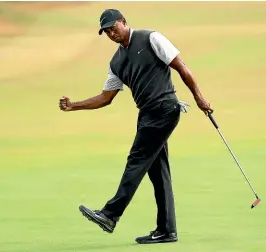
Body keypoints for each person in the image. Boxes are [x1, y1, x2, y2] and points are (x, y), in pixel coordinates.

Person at [59, 9, 213, 244]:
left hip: (164, 108)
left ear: (123, 22)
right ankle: (167, 230)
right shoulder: (116, 62)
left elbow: (182, 67)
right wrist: (74, 106)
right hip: (147, 115)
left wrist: (199, 97)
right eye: (107, 31)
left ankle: (110, 215)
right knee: (158, 173)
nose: (111, 33)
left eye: (113, 27)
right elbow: (105, 97)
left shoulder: (151, 38)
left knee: (137, 161)